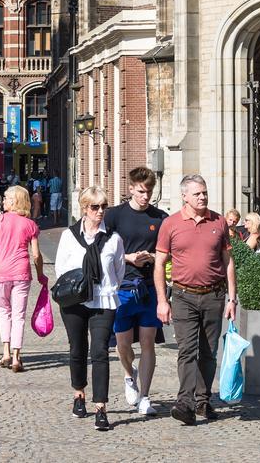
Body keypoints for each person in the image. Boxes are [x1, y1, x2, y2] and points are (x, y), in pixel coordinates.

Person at [154, 174, 236, 426]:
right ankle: (185, 403)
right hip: (182, 296)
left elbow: (228, 261)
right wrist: (162, 300)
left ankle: (203, 400)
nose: (203, 197)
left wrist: (232, 298)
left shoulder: (219, 222)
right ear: (184, 196)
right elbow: (159, 265)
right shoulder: (171, 224)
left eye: (204, 192)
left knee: (209, 353)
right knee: (187, 351)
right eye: (197, 193)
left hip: (214, 295)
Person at [55, 186, 125, 432]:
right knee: (77, 349)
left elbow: (118, 273)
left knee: (100, 352)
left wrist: (103, 287)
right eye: (95, 207)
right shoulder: (69, 236)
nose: (100, 211)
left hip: (103, 301)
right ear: (84, 208)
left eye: (104, 206)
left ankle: (101, 407)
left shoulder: (114, 239)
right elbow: (60, 270)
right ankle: (78, 393)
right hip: (74, 303)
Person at [104, 166, 168, 416]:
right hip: (122, 288)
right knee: (122, 344)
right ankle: (129, 376)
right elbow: (102, 249)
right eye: (141, 191)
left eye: (149, 191)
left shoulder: (159, 218)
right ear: (130, 188)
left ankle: (145, 396)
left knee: (148, 343)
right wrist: (128, 258)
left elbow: (167, 252)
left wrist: (152, 256)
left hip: (150, 288)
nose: (146, 196)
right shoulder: (114, 216)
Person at [0, 185, 42, 372]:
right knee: (19, 315)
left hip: (1, 272)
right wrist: (41, 274)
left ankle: (5, 352)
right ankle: (17, 356)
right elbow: (35, 255)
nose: (2, 201)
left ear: (14, 201)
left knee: (4, 312)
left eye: (5, 198)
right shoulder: (30, 225)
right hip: (22, 272)